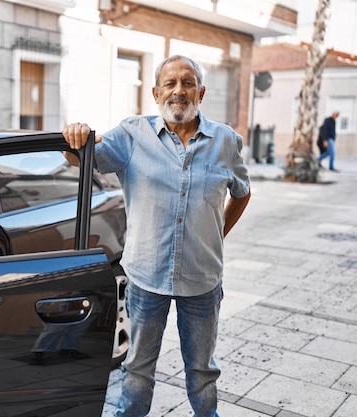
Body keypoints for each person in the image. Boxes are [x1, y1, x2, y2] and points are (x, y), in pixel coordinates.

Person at [62, 55, 251, 417]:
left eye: (187, 82)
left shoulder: (226, 141)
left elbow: (242, 192)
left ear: (201, 91)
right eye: (170, 83)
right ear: (155, 92)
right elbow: (83, 157)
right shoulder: (132, 134)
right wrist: (72, 138)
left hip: (202, 279)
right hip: (146, 278)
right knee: (137, 372)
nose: (179, 90)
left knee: (202, 373)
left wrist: (218, 234)